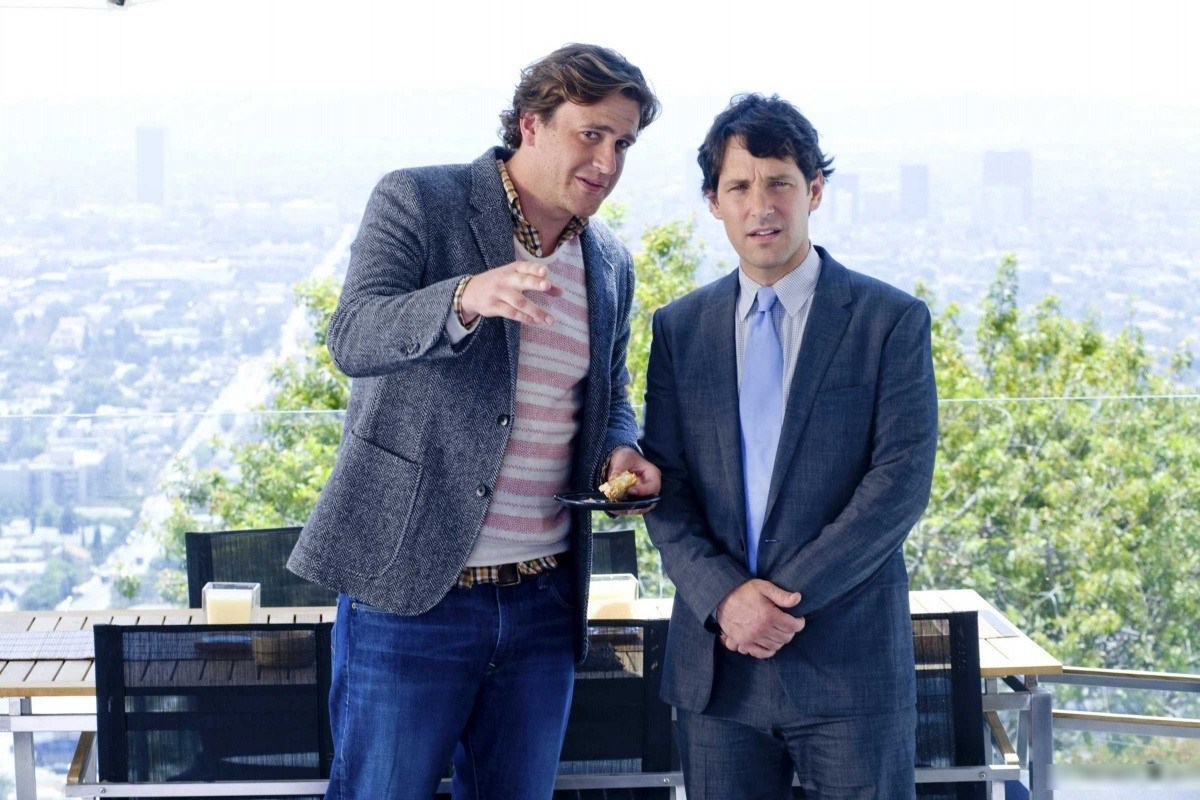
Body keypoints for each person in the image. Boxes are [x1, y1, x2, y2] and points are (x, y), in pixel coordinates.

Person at [287, 43, 662, 800]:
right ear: (531, 123)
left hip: (544, 603)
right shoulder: (420, 200)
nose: (608, 162)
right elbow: (353, 336)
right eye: (591, 134)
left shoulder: (609, 264)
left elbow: (610, 392)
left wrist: (622, 447)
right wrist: (464, 298)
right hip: (412, 592)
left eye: (623, 143)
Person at [641, 93, 938, 800]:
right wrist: (727, 599)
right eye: (738, 187)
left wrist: (772, 604)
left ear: (815, 190)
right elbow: (664, 486)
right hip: (719, 672)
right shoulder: (680, 329)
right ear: (713, 203)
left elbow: (897, 485)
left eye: (779, 182)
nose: (761, 206)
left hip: (849, 669)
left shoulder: (889, 321)